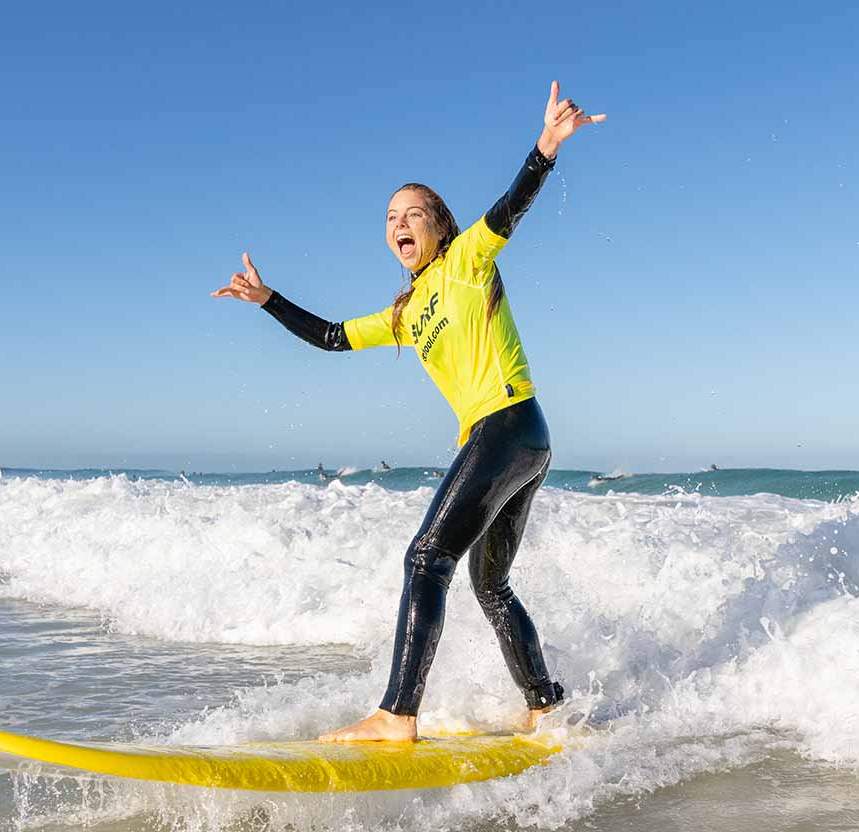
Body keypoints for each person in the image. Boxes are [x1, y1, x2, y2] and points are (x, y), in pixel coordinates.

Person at [213, 80, 605, 741]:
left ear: (440, 225)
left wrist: (544, 149)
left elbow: (512, 207)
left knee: (427, 558)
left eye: (413, 213)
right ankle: (545, 705)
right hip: (524, 438)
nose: (399, 222)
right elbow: (334, 335)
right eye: (391, 216)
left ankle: (397, 714)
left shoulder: (467, 261)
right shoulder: (405, 312)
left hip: (507, 424)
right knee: (490, 584)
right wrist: (269, 300)